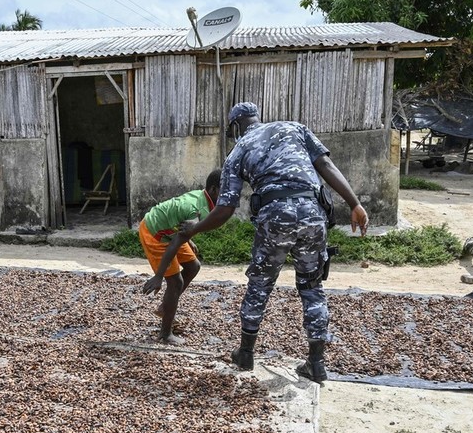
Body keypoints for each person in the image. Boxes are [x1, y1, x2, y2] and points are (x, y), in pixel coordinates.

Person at [145, 102, 369, 382]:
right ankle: (316, 362)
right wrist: (355, 204)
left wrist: (194, 229)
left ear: (235, 127)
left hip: (275, 217)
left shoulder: (238, 151)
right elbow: (325, 164)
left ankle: (246, 354)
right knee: (312, 288)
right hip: (314, 213)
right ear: (257, 118)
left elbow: (224, 209)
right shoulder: (294, 128)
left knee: (259, 285)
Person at [139, 169, 222, 344]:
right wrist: (159, 276)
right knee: (175, 282)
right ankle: (165, 334)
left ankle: (165, 307)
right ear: (214, 190)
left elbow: (180, 226)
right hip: (155, 233)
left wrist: (187, 238)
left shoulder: (203, 199)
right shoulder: (196, 211)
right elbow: (174, 245)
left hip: (171, 232)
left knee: (194, 266)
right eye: (226, 189)